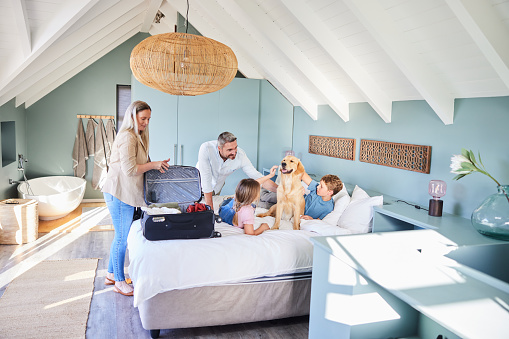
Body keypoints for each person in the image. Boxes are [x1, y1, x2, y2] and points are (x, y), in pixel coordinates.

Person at [101, 100, 170, 296]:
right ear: (133, 117)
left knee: (120, 235)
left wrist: (157, 165)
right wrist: (153, 165)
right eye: (143, 118)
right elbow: (130, 170)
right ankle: (119, 282)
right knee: (122, 237)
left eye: (148, 119)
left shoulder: (139, 136)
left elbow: (142, 162)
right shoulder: (128, 137)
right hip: (119, 192)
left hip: (125, 192)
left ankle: (111, 275)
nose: (146, 122)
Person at [196, 131, 278, 211]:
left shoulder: (241, 155)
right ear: (219, 148)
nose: (234, 152)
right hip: (198, 186)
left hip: (216, 188)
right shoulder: (206, 148)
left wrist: (283, 191)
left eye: (235, 148)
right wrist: (210, 212)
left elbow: (257, 176)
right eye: (229, 150)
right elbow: (205, 179)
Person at [219, 165, 278, 235]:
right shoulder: (248, 211)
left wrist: (269, 176)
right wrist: (263, 227)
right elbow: (249, 233)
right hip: (234, 214)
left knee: (230, 201)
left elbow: (254, 184)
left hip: (225, 210)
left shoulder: (238, 195)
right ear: (254, 196)